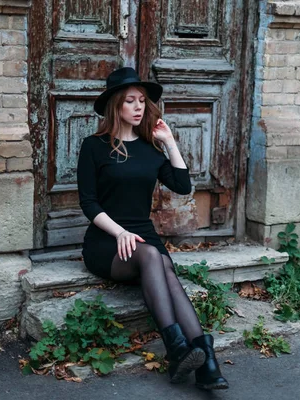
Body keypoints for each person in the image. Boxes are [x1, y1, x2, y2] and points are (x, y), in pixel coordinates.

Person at [76, 67, 229, 390]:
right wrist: (119, 233)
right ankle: (177, 348)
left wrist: (170, 142)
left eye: (142, 101)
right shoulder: (94, 147)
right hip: (107, 242)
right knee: (152, 256)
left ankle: (203, 356)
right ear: (115, 106)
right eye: (130, 101)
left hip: (143, 237)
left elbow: (183, 185)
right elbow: (89, 203)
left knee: (162, 264)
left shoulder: (150, 149)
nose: (138, 107)